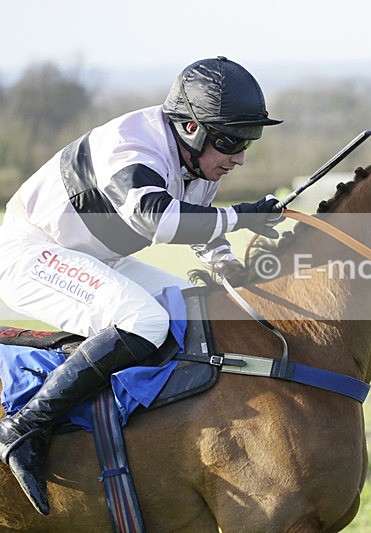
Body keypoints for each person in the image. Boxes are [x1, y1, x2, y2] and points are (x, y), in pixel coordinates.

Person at [0, 56, 284, 515]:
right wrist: (243, 215)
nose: (241, 158)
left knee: (192, 306)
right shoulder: (130, 145)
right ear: (190, 127)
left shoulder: (197, 163)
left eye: (250, 141)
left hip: (94, 256)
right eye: (232, 142)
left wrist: (234, 274)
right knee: (145, 319)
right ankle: (24, 428)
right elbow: (157, 219)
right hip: (31, 255)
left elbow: (203, 232)